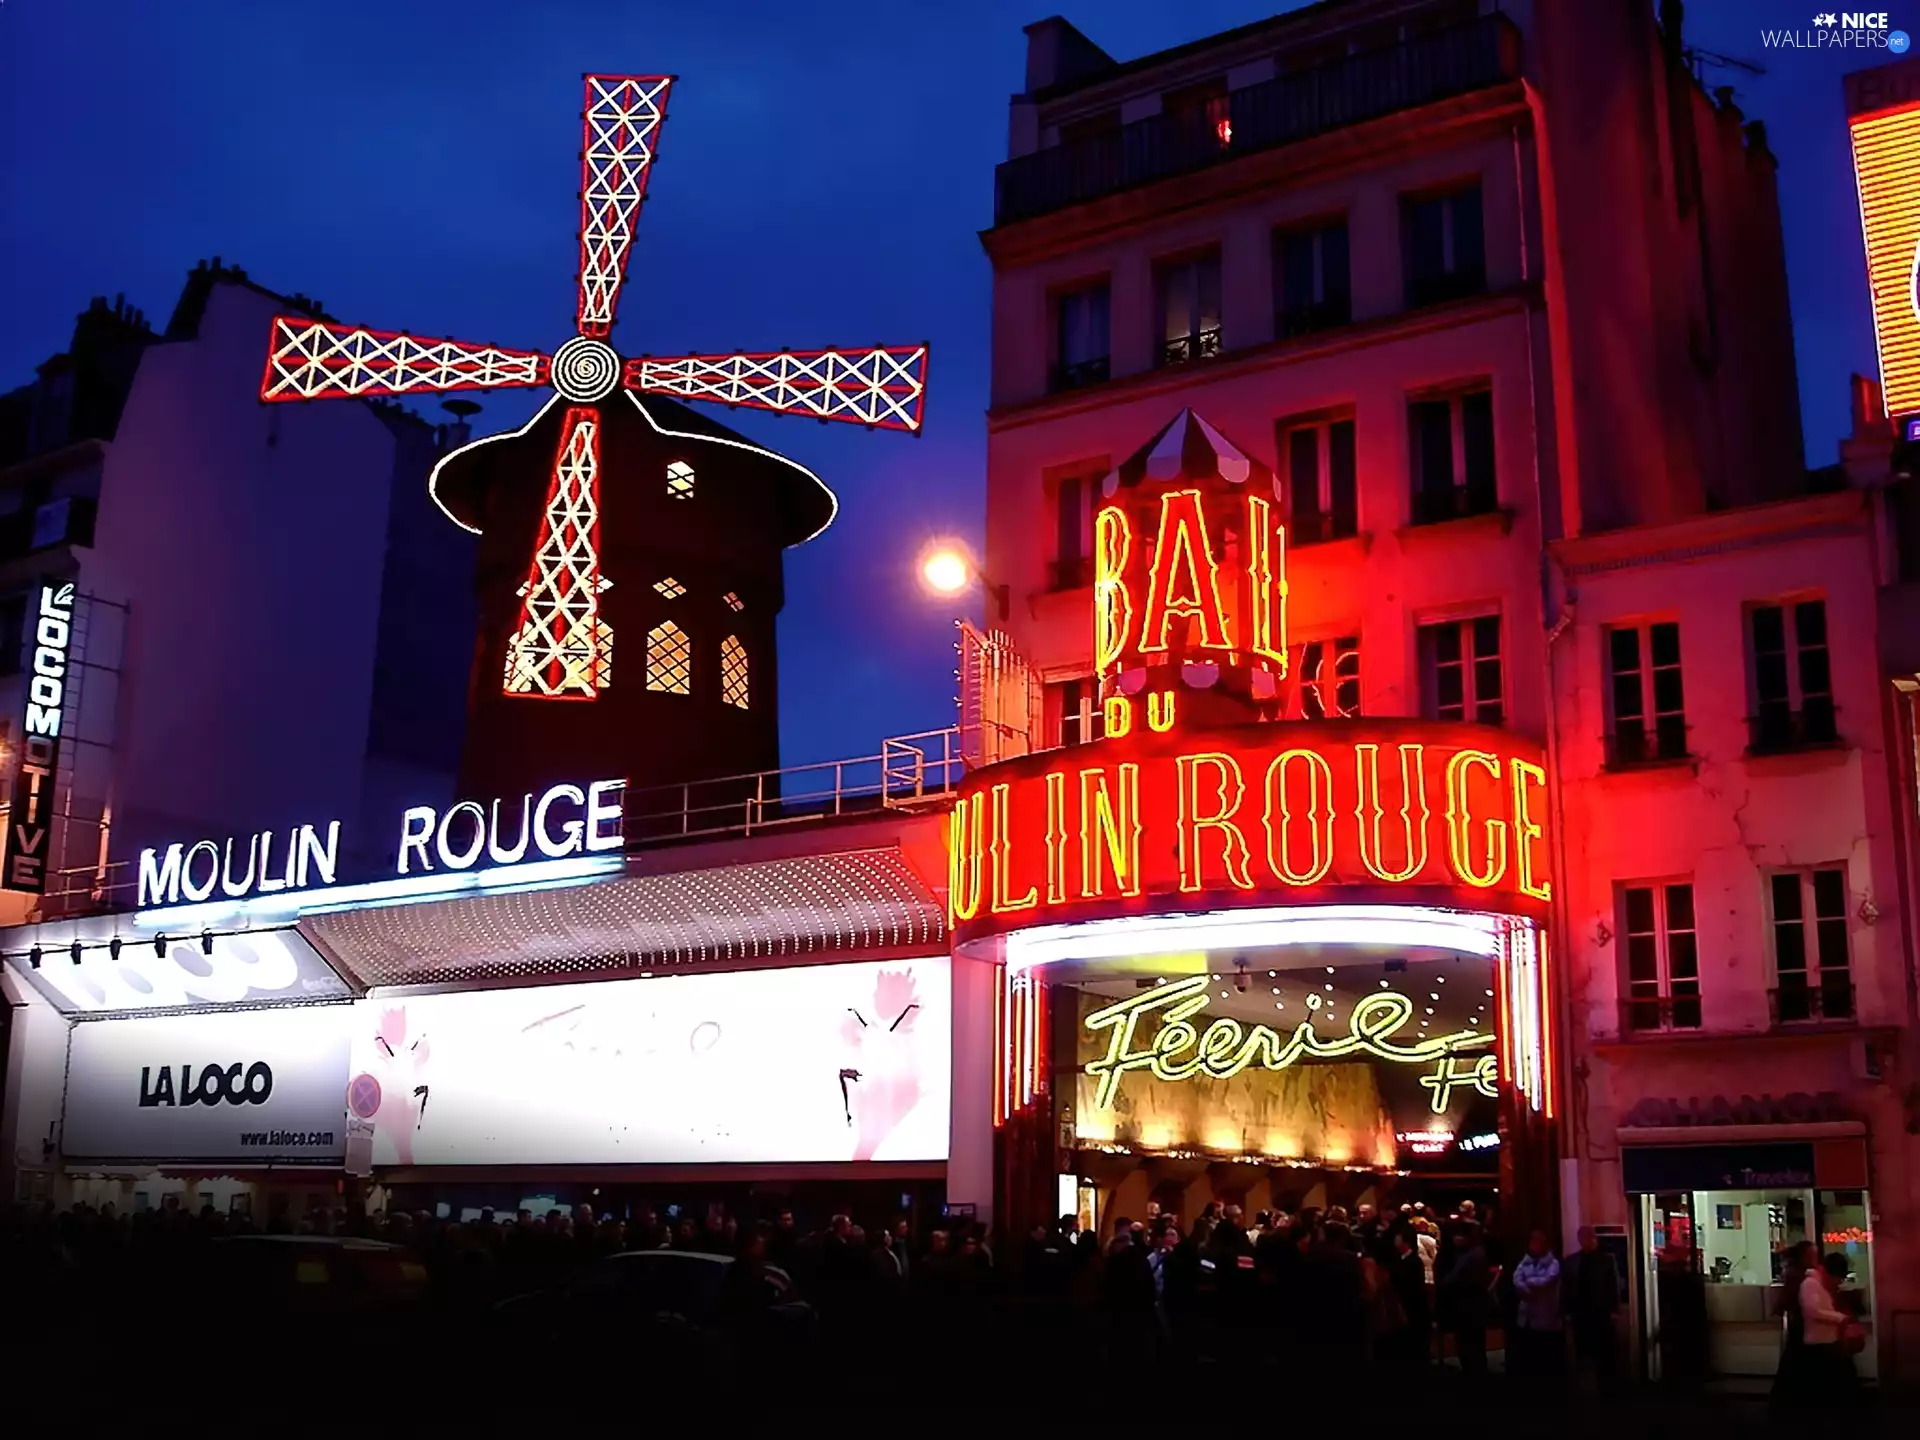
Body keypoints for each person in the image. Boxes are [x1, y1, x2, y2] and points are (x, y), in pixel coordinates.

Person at [1564, 1225, 1621, 1391]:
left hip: (1600, 1313)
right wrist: (1567, 1311)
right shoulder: (1573, 1261)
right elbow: (1567, 1287)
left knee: (1602, 1355)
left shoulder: (1605, 1260)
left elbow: (1613, 1286)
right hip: (1581, 1314)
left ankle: (1604, 1388)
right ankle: (1588, 1388)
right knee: (1584, 1354)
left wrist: (1614, 1310)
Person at [1509, 1229, 1564, 1386]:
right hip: (1527, 1318)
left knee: (1545, 1359)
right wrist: (1526, 1287)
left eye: (1536, 1242)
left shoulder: (1553, 1263)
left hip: (1546, 1319)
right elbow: (1517, 1278)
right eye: (1532, 1242)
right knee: (1529, 1357)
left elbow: (1546, 1282)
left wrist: (1529, 1282)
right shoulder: (1526, 1261)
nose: (1533, 1245)